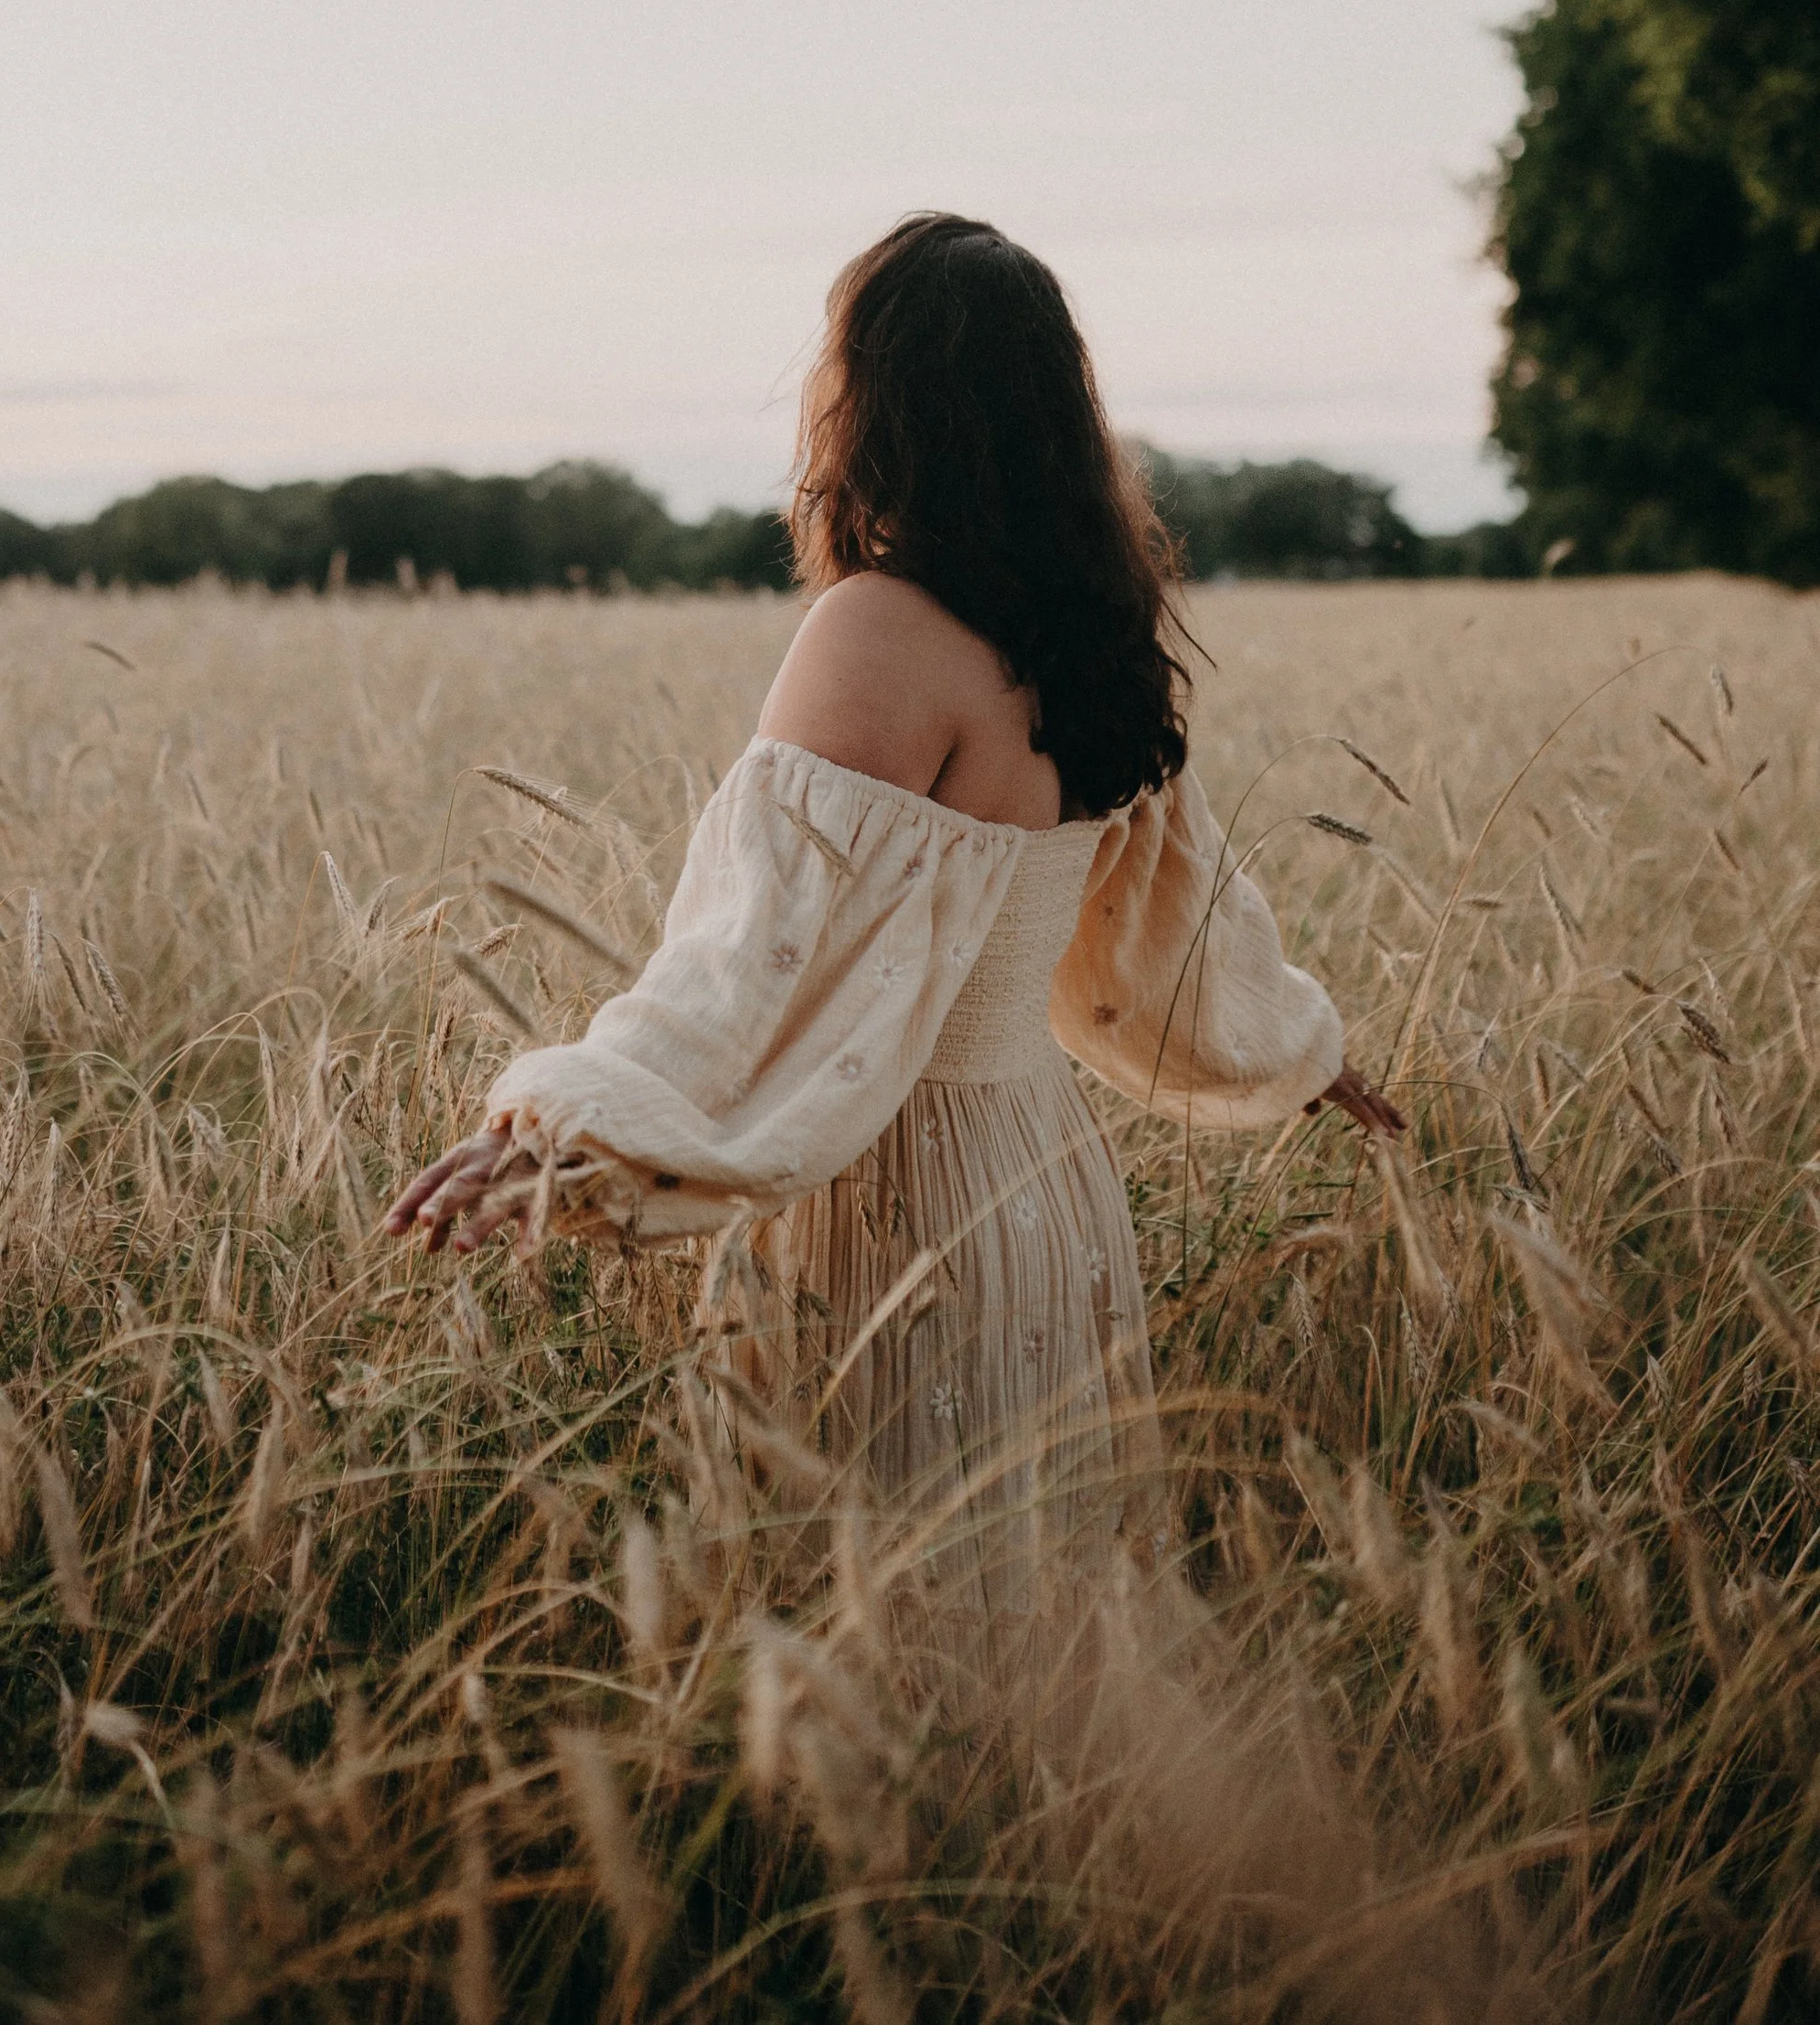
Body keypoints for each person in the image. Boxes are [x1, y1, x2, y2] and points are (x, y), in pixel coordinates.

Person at [388, 214, 1402, 1670]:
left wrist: (566, 1121)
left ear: (871, 401)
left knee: (885, 1638)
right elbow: (1187, 929)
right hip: (1045, 1186)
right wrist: (1302, 1051)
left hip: (895, 1206)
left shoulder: (874, 630)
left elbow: (749, 960)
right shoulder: (1096, 634)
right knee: (1043, 1629)